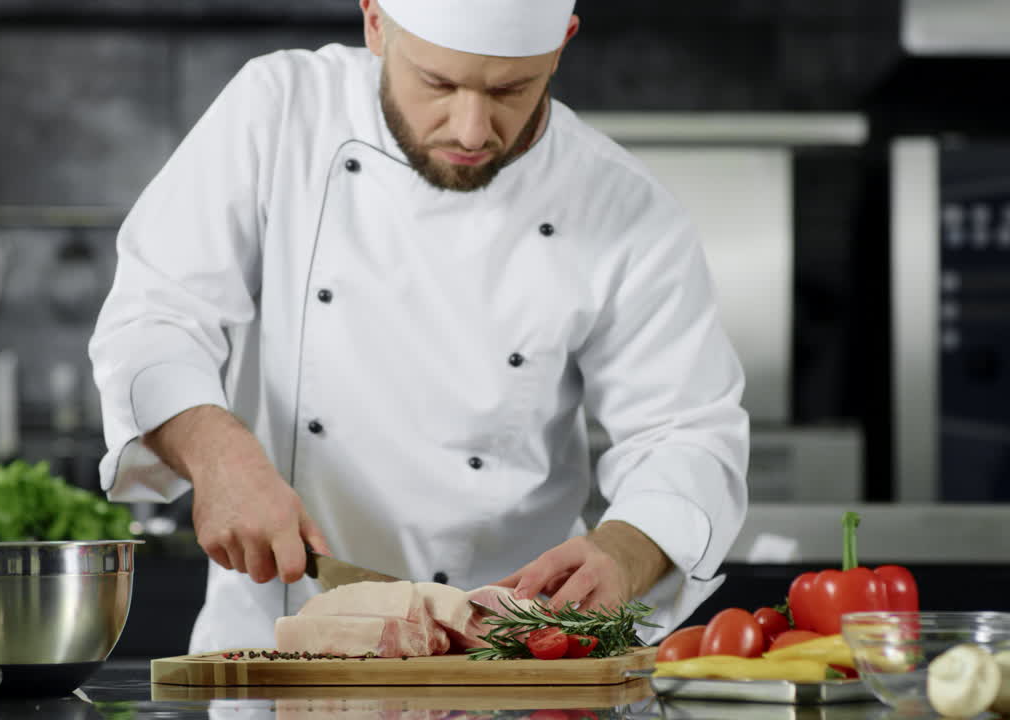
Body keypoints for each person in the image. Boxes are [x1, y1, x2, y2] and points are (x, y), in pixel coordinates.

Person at [89, 0, 749, 653]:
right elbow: (157, 313)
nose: (470, 129)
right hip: (274, 662)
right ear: (375, 22)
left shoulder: (623, 205)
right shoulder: (282, 110)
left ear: (561, 45)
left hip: (509, 665)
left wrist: (629, 549)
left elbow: (685, 429)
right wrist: (216, 453)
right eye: (438, 83)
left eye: (510, 89)